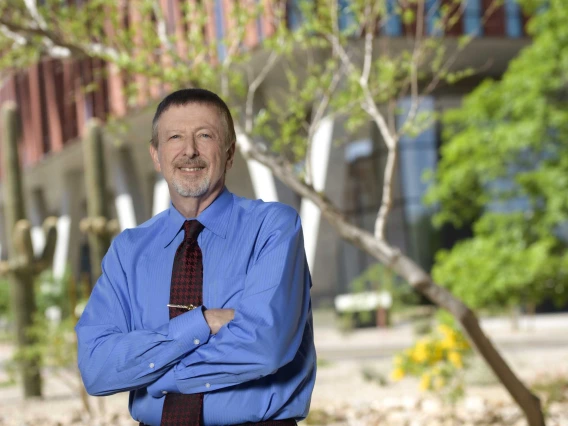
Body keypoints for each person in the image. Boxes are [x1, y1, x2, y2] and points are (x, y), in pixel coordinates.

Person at [75, 88, 317, 426]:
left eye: (205, 136)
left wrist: (158, 377)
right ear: (156, 155)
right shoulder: (128, 251)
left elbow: (265, 347)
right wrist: (204, 322)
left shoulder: (273, 228)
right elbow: (97, 367)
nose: (189, 151)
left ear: (229, 153)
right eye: (175, 137)